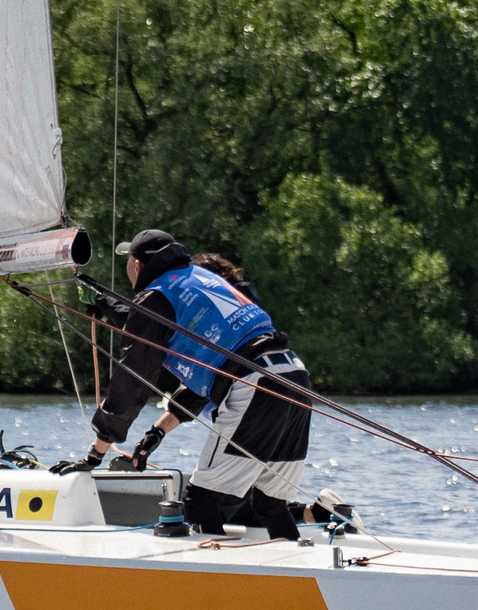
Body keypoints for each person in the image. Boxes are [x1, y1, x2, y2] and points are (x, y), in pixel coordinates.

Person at [80, 229, 314, 540]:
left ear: (137, 265)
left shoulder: (158, 295)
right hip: (294, 375)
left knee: (200, 503)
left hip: (255, 383)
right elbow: (149, 324)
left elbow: (133, 380)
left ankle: (215, 568)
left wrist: (96, 452)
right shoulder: (202, 278)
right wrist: (156, 433)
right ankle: (295, 562)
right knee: (269, 503)